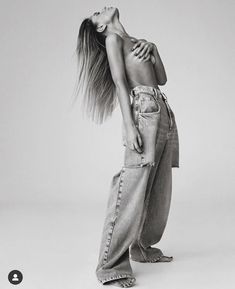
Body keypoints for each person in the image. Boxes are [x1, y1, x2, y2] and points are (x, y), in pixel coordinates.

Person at [75, 6, 179, 288]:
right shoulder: (113, 41)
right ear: (100, 28)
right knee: (132, 184)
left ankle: (142, 248)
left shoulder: (138, 42)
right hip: (143, 111)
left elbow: (161, 79)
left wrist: (154, 48)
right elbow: (120, 83)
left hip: (162, 108)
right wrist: (129, 125)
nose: (102, 8)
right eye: (97, 13)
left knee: (158, 184)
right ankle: (110, 265)